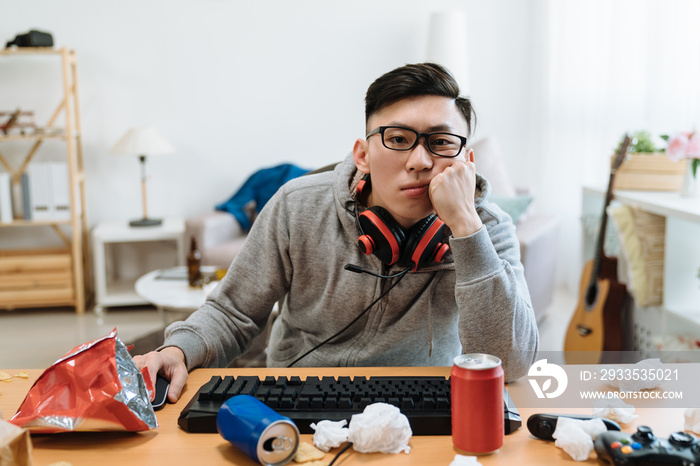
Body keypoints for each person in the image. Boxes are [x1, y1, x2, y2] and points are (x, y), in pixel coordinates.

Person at [135, 63, 539, 402]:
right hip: (296, 394)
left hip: (419, 403)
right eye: (398, 139)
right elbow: (233, 312)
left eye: (441, 142)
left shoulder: (487, 227)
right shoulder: (297, 205)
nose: (419, 161)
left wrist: (466, 229)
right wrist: (179, 349)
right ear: (362, 155)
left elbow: (512, 360)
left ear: (467, 161)